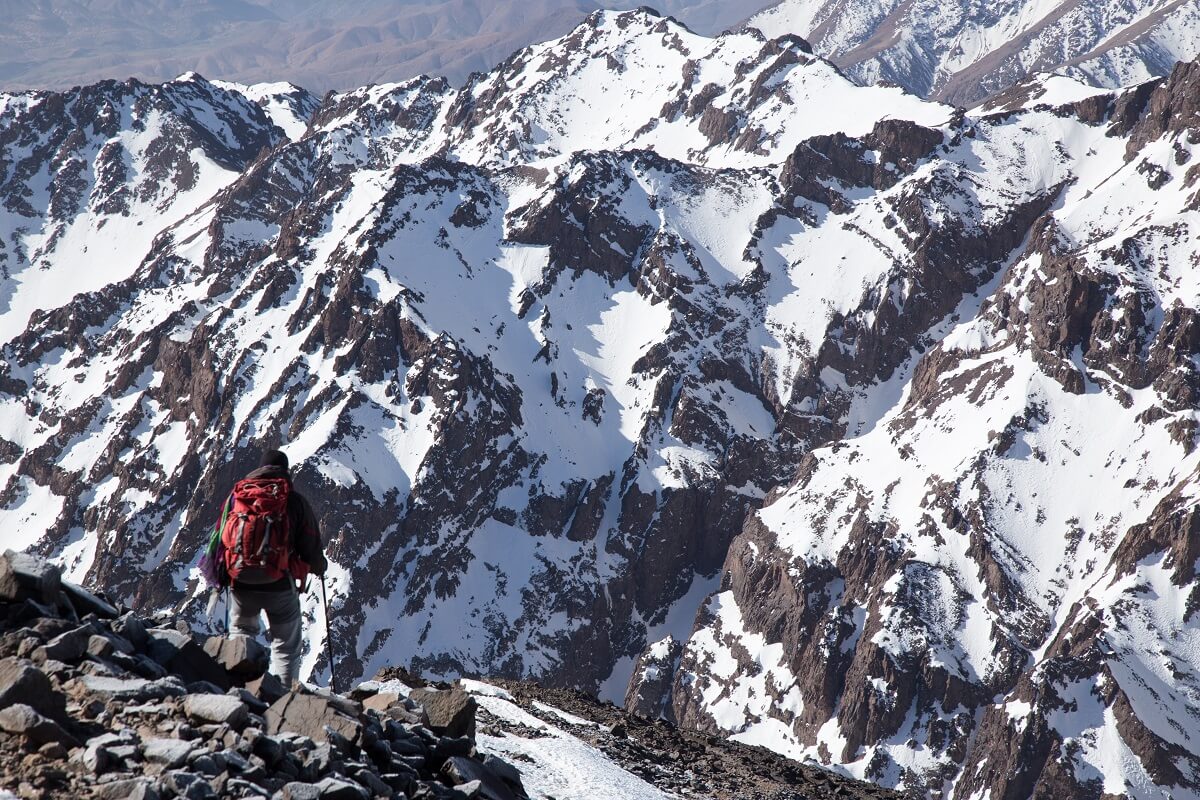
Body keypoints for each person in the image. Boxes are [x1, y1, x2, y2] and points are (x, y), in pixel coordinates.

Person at [217, 448, 327, 688]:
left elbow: (221, 539)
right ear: (285, 472)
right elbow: (310, 547)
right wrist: (319, 566)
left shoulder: (237, 498)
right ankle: (284, 697)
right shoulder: (293, 501)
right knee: (286, 646)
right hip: (278, 583)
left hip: (240, 580)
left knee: (242, 633)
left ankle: (237, 689)